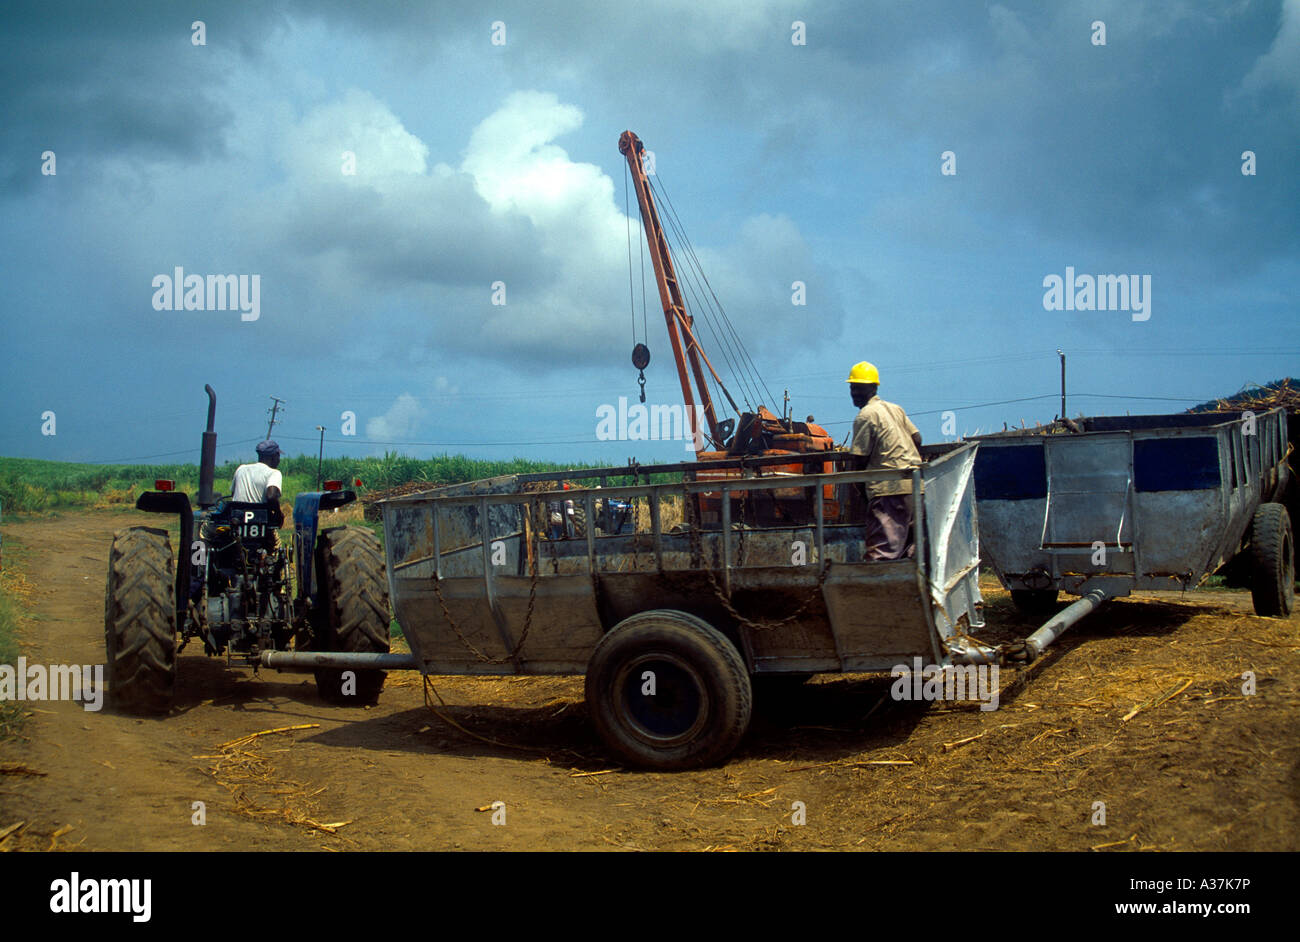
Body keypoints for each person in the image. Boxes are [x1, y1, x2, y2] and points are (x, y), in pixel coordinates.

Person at [846, 361, 922, 560]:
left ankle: (875, 589)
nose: (854, 393)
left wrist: (862, 493)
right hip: (915, 486)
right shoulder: (895, 409)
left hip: (889, 490)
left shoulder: (865, 415)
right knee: (911, 553)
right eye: (853, 388)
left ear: (872, 388)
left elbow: (859, 460)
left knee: (882, 555)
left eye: (859, 388)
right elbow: (917, 439)